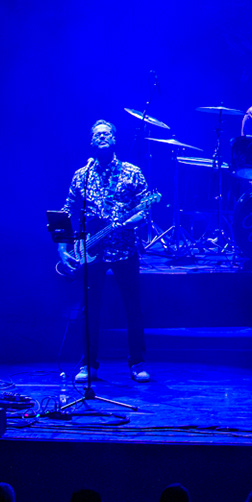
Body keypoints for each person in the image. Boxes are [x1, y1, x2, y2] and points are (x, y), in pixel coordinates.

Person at [61, 120, 153, 384]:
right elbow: (68, 209)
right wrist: (62, 247)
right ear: (91, 141)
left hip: (124, 249)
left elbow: (144, 209)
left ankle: (137, 362)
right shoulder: (82, 175)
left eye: (107, 134)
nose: (102, 137)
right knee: (90, 309)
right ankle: (89, 365)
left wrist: (127, 222)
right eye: (97, 135)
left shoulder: (132, 172)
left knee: (132, 307)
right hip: (91, 251)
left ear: (114, 139)